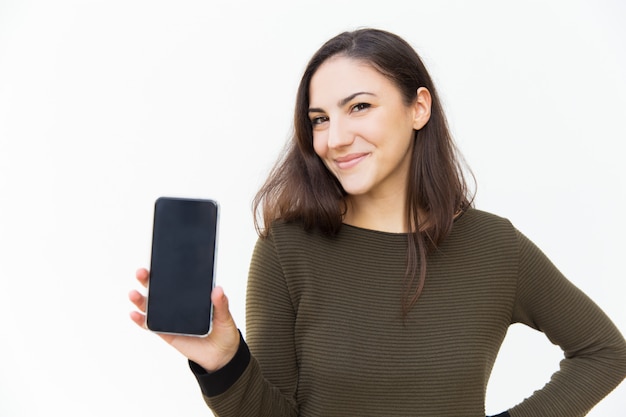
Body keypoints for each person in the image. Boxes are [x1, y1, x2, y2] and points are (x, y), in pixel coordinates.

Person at [129, 28, 626, 416]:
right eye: (319, 118)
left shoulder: (496, 246)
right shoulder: (287, 248)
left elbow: (606, 353)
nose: (335, 137)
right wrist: (223, 361)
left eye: (359, 107)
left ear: (419, 108)